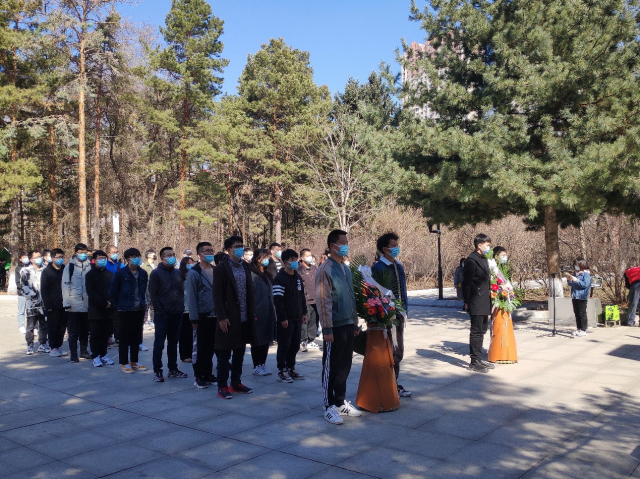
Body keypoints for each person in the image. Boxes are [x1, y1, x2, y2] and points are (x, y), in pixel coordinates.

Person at [316, 229, 362, 425]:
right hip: (334, 326)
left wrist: (355, 322)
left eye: (346, 242)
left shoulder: (345, 267)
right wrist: (327, 329)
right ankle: (328, 406)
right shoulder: (325, 269)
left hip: (348, 324)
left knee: (345, 365)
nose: (345, 246)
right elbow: (323, 300)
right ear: (332, 245)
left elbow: (351, 297)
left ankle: (340, 402)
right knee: (331, 367)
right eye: (342, 243)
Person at [212, 235, 257, 399]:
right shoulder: (221, 269)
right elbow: (217, 295)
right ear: (228, 250)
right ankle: (222, 386)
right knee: (224, 354)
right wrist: (221, 317)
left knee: (240, 352)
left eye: (241, 246)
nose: (240, 249)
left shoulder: (245, 266)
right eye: (237, 246)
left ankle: (236, 382)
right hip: (228, 317)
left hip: (244, 317)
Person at [372, 232, 412, 398]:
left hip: (399, 314)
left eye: (397, 245)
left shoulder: (398, 265)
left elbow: (403, 290)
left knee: (398, 350)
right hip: (387, 316)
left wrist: (405, 310)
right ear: (384, 249)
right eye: (393, 246)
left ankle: (394, 383)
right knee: (391, 351)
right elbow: (374, 292)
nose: (396, 248)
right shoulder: (378, 268)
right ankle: (389, 385)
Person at [148, 247, 188, 382]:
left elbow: (181, 291)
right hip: (162, 314)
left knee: (173, 343)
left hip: (177, 313)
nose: (171, 257)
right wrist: (159, 310)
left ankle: (173, 368)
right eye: (168, 255)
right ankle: (157, 370)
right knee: (159, 344)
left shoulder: (177, 272)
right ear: (162, 258)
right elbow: (153, 294)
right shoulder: (156, 273)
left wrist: (181, 307)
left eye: (173, 254)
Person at [109, 248, 149, 374]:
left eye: (137, 256)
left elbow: (144, 291)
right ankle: (124, 362)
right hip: (124, 309)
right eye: (133, 256)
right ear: (127, 259)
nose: (136, 259)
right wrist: (118, 305)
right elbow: (113, 291)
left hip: (139, 308)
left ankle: (134, 361)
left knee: (136, 337)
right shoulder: (120, 273)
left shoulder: (143, 273)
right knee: (124, 337)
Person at [186, 242, 217, 389]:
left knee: (210, 347)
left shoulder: (215, 270)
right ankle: (199, 376)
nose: (210, 253)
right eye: (207, 251)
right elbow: (191, 297)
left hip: (215, 315)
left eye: (211, 250)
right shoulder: (194, 273)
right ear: (199, 254)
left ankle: (208, 374)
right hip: (201, 316)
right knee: (200, 348)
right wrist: (194, 318)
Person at [273, 249, 307, 383]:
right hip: (286, 319)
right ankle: (281, 370)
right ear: (285, 261)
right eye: (292, 260)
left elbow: (301, 296)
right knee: (284, 345)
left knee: (295, 345)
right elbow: (278, 300)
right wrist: (282, 318)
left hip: (297, 317)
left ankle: (290, 367)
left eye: (296, 259)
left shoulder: (297, 277)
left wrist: (304, 312)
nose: (295, 262)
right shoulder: (279, 278)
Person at [463, 233, 494, 373]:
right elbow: (466, 283)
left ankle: (479, 358)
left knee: (482, 330)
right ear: (479, 245)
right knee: (476, 331)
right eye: (487, 245)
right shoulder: (471, 261)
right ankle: (474, 361)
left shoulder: (484, 259)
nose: (489, 248)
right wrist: (466, 301)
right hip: (475, 300)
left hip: (484, 300)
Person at [85, 250, 116, 368]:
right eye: (99, 258)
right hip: (96, 309)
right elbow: (91, 292)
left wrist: (110, 302)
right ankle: (96, 355)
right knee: (95, 334)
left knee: (105, 334)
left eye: (104, 258)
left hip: (108, 310)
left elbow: (113, 290)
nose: (102, 260)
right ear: (94, 260)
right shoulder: (90, 275)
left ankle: (103, 354)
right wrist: (103, 303)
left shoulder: (110, 274)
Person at [62, 243, 92, 362]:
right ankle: (73, 354)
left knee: (85, 330)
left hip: (87, 304)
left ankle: (84, 351)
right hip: (73, 304)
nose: (83, 254)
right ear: (76, 253)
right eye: (81, 252)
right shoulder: (69, 267)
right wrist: (66, 303)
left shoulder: (90, 266)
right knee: (73, 332)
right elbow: (65, 286)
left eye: (85, 252)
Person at [249, 249, 276, 376]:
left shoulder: (267, 273)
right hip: (257, 312)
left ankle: (263, 363)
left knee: (266, 339)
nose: (266, 260)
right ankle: (256, 365)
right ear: (257, 258)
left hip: (268, 310)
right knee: (257, 340)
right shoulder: (251, 274)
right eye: (264, 257)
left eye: (268, 258)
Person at [41, 248, 68, 357]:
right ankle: (53, 348)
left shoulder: (65, 270)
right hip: (52, 305)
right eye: (58, 257)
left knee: (62, 327)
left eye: (62, 257)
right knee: (53, 327)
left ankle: (59, 346)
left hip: (65, 303)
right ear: (52, 258)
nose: (60, 259)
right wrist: (48, 305)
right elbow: (44, 290)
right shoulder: (47, 272)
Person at [21, 251, 48, 355]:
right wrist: (34, 295)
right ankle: (30, 345)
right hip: (32, 304)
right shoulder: (26, 271)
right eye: (36, 257)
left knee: (44, 325)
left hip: (44, 303)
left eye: (40, 256)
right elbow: (23, 286)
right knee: (31, 326)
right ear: (31, 260)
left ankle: (43, 343)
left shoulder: (45, 269)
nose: (39, 259)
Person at [565, 258, 592, 337]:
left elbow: (584, 284)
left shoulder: (586, 274)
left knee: (582, 313)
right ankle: (579, 328)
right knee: (576, 313)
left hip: (582, 296)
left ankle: (583, 330)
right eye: (574, 266)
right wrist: (569, 280)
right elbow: (571, 284)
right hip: (575, 295)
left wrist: (576, 280)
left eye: (576, 265)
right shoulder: (575, 273)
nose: (575, 267)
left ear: (581, 265)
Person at [299, 248, 319, 352]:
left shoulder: (314, 268)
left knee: (313, 321)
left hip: (315, 299)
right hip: (305, 300)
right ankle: (303, 341)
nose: (310, 258)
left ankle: (311, 340)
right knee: (304, 321)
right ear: (302, 258)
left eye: (310, 255)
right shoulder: (299, 270)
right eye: (307, 256)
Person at [179, 256, 195, 363]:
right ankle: (184, 355)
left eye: (192, 263)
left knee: (193, 334)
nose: (190, 265)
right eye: (188, 263)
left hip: (193, 309)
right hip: (183, 309)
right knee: (184, 334)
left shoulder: (194, 275)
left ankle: (192, 353)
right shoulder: (180, 276)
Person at [141, 249, 156, 333]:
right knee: (146, 306)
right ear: (148, 256)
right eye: (152, 254)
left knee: (153, 306)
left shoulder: (156, 265)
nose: (154, 255)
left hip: (155, 289)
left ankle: (153, 321)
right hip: (147, 289)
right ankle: (145, 322)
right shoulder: (144, 266)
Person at [16, 251, 29, 334]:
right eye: (23, 257)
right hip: (22, 293)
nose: (25, 259)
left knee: (30, 311)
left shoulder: (30, 267)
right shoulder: (18, 268)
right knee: (21, 310)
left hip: (31, 293)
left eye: (26, 257)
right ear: (20, 259)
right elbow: (18, 282)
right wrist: (22, 289)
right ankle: (21, 326)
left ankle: (32, 326)